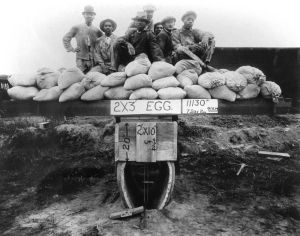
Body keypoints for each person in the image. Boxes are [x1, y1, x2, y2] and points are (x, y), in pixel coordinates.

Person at [62, 5, 102, 73]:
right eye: (87, 14)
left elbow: (103, 40)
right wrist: (71, 49)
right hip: (81, 57)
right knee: (80, 75)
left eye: (91, 14)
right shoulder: (77, 27)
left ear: (94, 16)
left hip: (93, 58)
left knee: (91, 76)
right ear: (83, 15)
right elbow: (66, 38)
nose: (89, 16)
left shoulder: (96, 30)